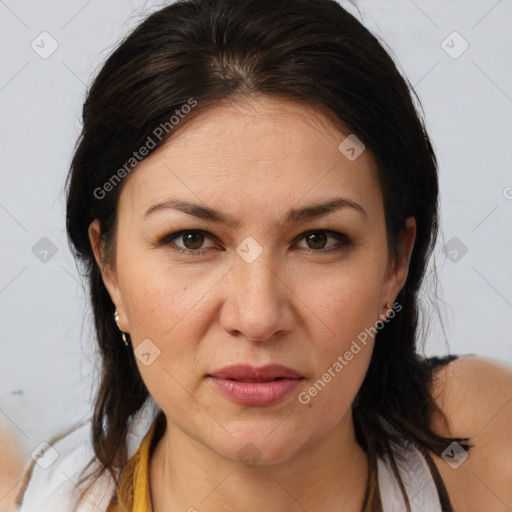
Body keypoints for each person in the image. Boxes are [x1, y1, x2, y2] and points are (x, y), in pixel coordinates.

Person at [13, 0, 512, 511]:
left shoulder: (489, 455)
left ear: (395, 264)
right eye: (192, 239)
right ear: (109, 265)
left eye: (317, 240)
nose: (257, 317)